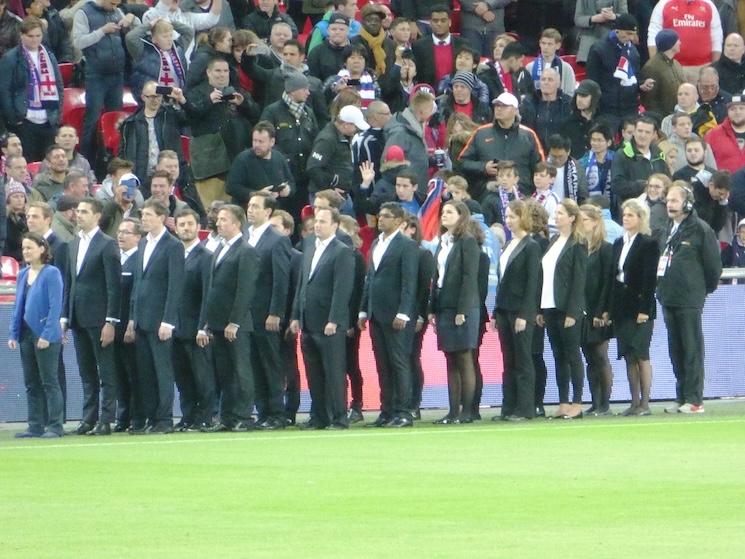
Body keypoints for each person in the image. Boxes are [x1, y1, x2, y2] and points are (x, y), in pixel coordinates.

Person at [658, 183, 722, 414]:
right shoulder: (668, 228)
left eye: (674, 200)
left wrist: (702, 291)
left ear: (687, 203)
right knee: (676, 350)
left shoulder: (700, 229)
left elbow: (713, 267)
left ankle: (695, 400)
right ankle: (682, 395)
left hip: (689, 298)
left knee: (692, 348)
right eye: (668, 200)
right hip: (668, 296)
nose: (669, 204)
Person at [289, 207, 354, 429]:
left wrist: (334, 320)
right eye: (316, 221)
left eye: (323, 222)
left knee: (334, 372)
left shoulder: (342, 251)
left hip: (329, 323)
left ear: (335, 226)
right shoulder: (309, 246)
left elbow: (342, 289)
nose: (318, 225)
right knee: (314, 373)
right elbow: (302, 284)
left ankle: (339, 417)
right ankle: (319, 416)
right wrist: (296, 314)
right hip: (308, 321)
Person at [62, 198, 122, 436]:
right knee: (86, 371)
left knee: (105, 371)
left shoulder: (107, 244)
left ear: (97, 216)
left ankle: (106, 419)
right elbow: (70, 283)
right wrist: (65, 317)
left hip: (99, 319)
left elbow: (113, 287)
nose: (79, 215)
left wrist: (111, 321)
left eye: (85, 212)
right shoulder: (73, 243)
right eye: (78, 211)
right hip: (78, 317)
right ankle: (89, 418)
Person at [198, 204, 259, 432]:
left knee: (241, 370)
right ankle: (227, 417)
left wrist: (235, 321)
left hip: (236, 324)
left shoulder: (246, 251)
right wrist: (206, 322)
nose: (219, 223)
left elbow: (245, 289)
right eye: (219, 219)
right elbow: (212, 289)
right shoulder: (219, 249)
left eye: (224, 219)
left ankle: (244, 415)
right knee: (224, 373)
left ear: (236, 224)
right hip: (217, 322)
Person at [126, 199, 183, 434]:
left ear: (161, 217)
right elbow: (138, 284)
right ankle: (151, 417)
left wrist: (168, 320)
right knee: (145, 372)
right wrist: (132, 317)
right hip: (141, 319)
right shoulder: (142, 245)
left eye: (149, 215)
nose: (144, 219)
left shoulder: (173, 245)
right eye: (143, 215)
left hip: (160, 320)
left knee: (162, 371)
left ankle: (164, 419)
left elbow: (175, 285)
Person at [359, 201, 418, 428]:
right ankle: (387, 410)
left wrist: (404, 312)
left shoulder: (406, 245)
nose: (380, 219)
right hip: (376, 313)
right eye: (379, 215)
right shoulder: (376, 243)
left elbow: (408, 282)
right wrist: (364, 309)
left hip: (396, 315)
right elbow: (370, 279)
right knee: (382, 364)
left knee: (399, 363)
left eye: (385, 216)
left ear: (398, 221)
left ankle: (403, 411)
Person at [8, 233, 64, 438]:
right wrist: (13, 333)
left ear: (42, 249)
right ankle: (35, 425)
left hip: (44, 335)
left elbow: (55, 306)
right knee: (31, 382)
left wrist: (48, 334)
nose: (26, 251)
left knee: (49, 381)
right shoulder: (23, 274)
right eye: (24, 248)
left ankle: (55, 425)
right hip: (26, 333)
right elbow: (18, 305)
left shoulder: (51, 273)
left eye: (30, 247)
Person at [429, 200, 480, 424]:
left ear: (462, 216)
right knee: (450, 359)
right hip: (444, 306)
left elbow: (469, 277)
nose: (444, 215)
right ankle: (453, 411)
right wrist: (432, 307)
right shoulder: (443, 242)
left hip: (461, 307)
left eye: (450, 212)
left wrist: (463, 310)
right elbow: (436, 277)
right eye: (444, 212)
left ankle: (468, 410)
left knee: (464, 357)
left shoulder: (467, 241)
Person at [185, 57, 260, 208]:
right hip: (209, 162)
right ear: (208, 72)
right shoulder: (197, 93)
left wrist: (243, 104)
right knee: (212, 208)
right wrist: (208, 101)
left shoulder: (237, 92)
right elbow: (188, 116)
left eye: (225, 71)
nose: (222, 74)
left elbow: (256, 115)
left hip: (236, 158)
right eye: (217, 71)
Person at [245, 191, 292, 430]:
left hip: (266, 313)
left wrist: (276, 312)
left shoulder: (277, 240)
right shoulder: (245, 236)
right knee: (253, 364)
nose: (250, 209)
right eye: (249, 205)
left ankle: (277, 413)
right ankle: (262, 411)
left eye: (255, 206)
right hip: (245, 315)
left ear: (268, 211)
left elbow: (280, 280)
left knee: (271, 364)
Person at [537, 199, 587, 420]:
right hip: (549, 305)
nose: (555, 217)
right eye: (555, 213)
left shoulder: (578, 243)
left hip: (567, 307)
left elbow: (579, 280)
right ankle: (563, 401)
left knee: (572, 354)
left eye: (560, 213)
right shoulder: (554, 240)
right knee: (558, 356)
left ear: (572, 217)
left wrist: (573, 312)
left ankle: (577, 402)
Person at [609, 199, 660, 416]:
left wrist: (645, 309)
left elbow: (649, 279)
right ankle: (634, 401)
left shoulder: (648, 243)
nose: (626, 218)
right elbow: (613, 276)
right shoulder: (619, 243)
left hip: (639, 305)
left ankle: (645, 403)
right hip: (622, 305)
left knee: (641, 353)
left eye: (631, 215)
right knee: (628, 354)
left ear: (640, 219)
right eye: (625, 215)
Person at [492, 199, 541, 421]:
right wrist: (495, 312)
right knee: (508, 360)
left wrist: (525, 314)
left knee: (523, 360)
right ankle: (508, 406)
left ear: (523, 218)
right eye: (508, 216)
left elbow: (532, 283)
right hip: (504, 309)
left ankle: (525, 408)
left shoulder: (531, 246)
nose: (508, 220)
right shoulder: (508, 245)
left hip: (520, 310)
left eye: (512, 216)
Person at [72, 0, 138, 160]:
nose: (115, 7)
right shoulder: (83, 12)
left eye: (117, 4)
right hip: (96, 74)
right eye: (112, 3)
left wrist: (132, 19)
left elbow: (135, 31)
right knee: (92, 118)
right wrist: (102, 31)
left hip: (117, 73)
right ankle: (86, 161)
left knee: (116, 118)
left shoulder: (116, 11)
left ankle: (115, 159)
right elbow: (78, 42)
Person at [172, 208, 215, 431]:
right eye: (182, 224)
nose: (186, 228)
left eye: (190, 224)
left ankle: (206, 416)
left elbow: (208, 294)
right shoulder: (174, 255)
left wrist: (203, 327)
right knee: (183, 378)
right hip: (175, 328)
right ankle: (188, 416)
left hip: (195, 328)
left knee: (202, 377)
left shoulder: (206, 256)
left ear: (199, 227)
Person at [0, 16, 64, 163]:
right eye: (30, 36)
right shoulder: (10, 58)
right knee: (27, 164)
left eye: (38, 36)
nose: (35, 40)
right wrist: (14, 118)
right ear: (21, 35)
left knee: (48, 164)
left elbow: (59, 86)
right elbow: (4, 91)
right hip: (25, 120)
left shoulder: (49, 56)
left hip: (48, 119)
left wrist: (57, 115)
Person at [458, 91, 544, 199]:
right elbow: (462, 162)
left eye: (504, 106)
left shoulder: (529, 135)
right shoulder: (481, 133)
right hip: (487, 196)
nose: (499, 108)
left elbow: (540, 167)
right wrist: (483, 167)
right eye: (497, 105)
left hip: (521, 197)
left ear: (515, 110)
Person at [586, 14, 651, 132]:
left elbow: (635, 77)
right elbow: (592, 81)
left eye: (633, 34)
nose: (631, 38)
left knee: (631, 147)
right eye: (628, 33)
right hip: (606, 111)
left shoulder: (633, 51)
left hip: (630, 110)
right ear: (617, 30)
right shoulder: (599, 49)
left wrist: (642, 85)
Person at [579, 204, 613, 416]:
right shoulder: (580, 247)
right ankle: (595, 400)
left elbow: (607, 282)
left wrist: (603, 311)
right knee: (589, 357)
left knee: (600, 355)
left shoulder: (606, 249)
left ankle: (605, 403)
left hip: (598, 308)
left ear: (594, 222)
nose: (580, 224)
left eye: (584, 220)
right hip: (583, 308)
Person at [118, 81, 187, 185]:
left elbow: (193, 119)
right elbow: (123, 154)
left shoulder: (170, 116)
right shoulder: (130, 123)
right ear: (143, 97)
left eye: (158, 96)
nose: (156, 100)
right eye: (152, 97)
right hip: (141, 178)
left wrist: (181, 99)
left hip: (168, 176)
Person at [400, 214, 435, 419]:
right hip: (396, 314)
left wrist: (421, 315)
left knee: (412, 357)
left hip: (414, 315)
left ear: (412, 229)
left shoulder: (423, 254)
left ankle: (415, 403)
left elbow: (424, 288)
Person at [307, 104, 368, 211]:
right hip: (327, 199)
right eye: (355, 127)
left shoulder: (343, 137)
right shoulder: (327, 140)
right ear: (346, 125)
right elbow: (313, 168)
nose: (356, 130)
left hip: (341, 195)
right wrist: (330, 188)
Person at [112, 217, 142, 433]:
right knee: (118, 373)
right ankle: (123, 416)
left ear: (138, 237)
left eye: (127, 232)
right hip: (114, 325)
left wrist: (132, 320)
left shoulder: (139, 260)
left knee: (134, 373)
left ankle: (137, 416)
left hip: (131, 326)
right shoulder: (116, 259)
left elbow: (136, 295)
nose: (121, 235)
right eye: (120, 231)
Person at [647, 0, 723, 83]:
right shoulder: (663, 4)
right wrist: (657, 67)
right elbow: (653, 36)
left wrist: (714, 69)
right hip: (671, 68)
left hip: (702, 68)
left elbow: (717, 38)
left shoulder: (708, 4)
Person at [225, 121, 293, 208]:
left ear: (272, 142)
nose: (256, 145)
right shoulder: (243, 159)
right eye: (254, 140)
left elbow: (291, 182)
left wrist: (288, 190)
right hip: (248, 211)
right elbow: (231, 187)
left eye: (261, 142)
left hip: (274, 210)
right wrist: (256, 194)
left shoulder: (279, 158)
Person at [611, 115, 669, 216]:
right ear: (634, 132)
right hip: (632, 212)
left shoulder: (658, 153)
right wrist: (643, 185)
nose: (643, 135)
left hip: (658, 211)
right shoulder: (622, 154)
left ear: (654, 134)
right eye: (640, 131)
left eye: (647, 132)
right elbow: (617, 185)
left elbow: (667, 180)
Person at [383, 87, 436, 193]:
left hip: (415, 194)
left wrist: (429, 160)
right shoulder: (400, 133)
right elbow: (387, 166)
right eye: (431, 110)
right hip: (405, 197)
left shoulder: (415, 128)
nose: (432, 114)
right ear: (421, 112)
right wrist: (404, 188)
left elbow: (412, 158)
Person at [125, 18, 193, 100]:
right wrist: (149, 25)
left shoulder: (178, 47)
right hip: (151, 99)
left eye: (171, 35)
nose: (169, 40)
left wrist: (171, 22)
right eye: (165, 36)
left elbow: (189, 31)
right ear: (154, 38)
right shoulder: (143, 49)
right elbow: (130, 37)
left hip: (176, 96)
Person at [411, 5, 469, 88]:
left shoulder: (463, 44)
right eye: (435, 21)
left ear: (449, 22)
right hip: (428, 94)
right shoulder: (419, 46)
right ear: (430, 23)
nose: (439, 24)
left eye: (443, 20)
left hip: (456, 93)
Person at [639, 29, 685, 116]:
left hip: (678, 115)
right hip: (663, 118)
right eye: (677, 40)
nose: (680, 42)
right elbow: (649, 101)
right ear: (670, 44)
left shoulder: (676, 64)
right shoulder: (651, 67)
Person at [563, 79, 603, 160]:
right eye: (578, 95)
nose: (579, 99)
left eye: (584, 96)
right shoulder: (567, 123)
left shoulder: (602, 124)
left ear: (594, 98)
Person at [307, 12, 352, 82]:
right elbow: (313, 82)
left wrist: (346, 85)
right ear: (328, 30)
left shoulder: (355, 53)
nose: (337, 32)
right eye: (334, 29)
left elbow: (359, 79)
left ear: (348, 31)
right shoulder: (316, 53)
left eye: (341, 29)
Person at [706, 92, 745, 172]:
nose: (737, 112)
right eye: (733, 109)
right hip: (724, 183)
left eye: (741, 108)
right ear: (727, 111)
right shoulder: (713, 135)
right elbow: (705, 163)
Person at [580, 123, 615, 201]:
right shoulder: (583, 162)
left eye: (599, 140)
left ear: (609, 142)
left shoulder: (616, 159)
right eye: (593, 140)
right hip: (589, 206)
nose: (595, 143)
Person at [637, 173, 672, 249]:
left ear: (666, 189)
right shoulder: (640, 203)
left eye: (657, 187)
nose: (652, 189)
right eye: (650, 186)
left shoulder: (664, 208)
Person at [4, 179, 28, 261]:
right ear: (8, 200)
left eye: (22, 196)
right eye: (15, 196)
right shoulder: (5, 221)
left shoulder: (29, 217)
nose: (19, 199)